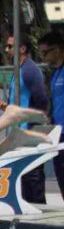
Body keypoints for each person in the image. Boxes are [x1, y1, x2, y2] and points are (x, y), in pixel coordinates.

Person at [0, 33, 49, 204]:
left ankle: (38, 208)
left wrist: (33, 121)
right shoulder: (19, 69)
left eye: (10, 46)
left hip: (28, 130)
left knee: (32, 175)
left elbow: (41, 100)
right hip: (19, 131)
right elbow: (20, 100)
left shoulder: (30, 70)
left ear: (22, 49)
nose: (7, 49)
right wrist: (7, 107)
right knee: (24, 174)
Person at [37, 30, 64, 199]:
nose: (43, 57)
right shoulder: (55, 74)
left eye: (45, 52)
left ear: (58, 49)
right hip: (59, 134)